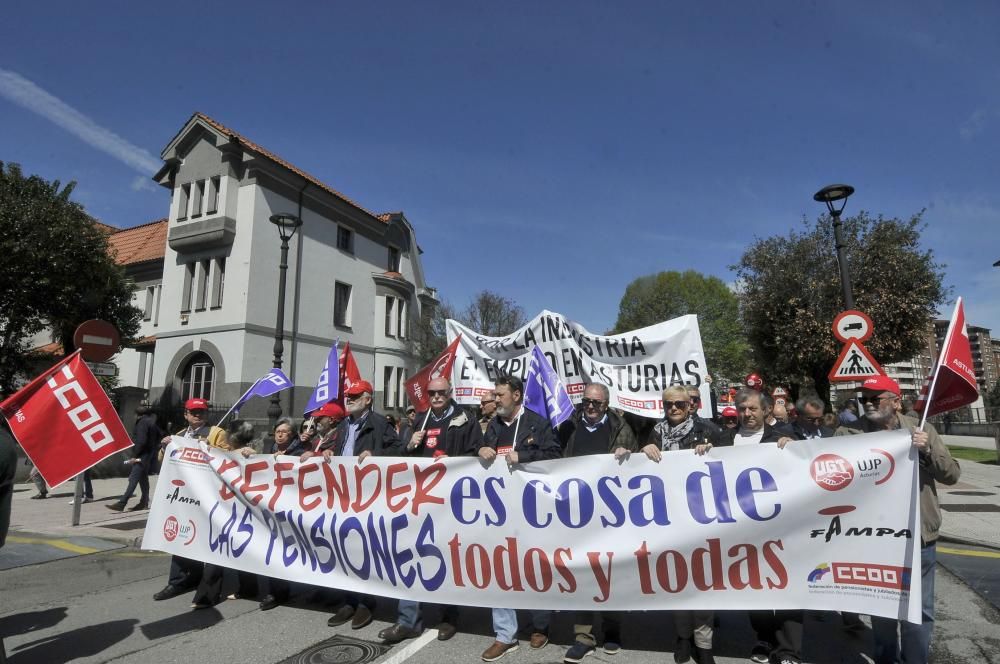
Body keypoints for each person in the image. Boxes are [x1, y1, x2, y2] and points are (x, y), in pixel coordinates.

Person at [835, 375, 960, 664]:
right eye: (863, 399)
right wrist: (788, 447)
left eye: (874, 398)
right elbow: (818, 470)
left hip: (918, 537)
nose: (867, 403)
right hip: (873, 538)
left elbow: (952, 474)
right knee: (882, 611)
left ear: (896, 401)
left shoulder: (922, 429)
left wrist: (926, 450)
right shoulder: (847, 434)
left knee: (919, 611)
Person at [379, 377, 482, 644]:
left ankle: (449, 616)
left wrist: (455, 462)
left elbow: (477, 456)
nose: (436, 396)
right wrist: (410, 444)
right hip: (420, 498)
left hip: (450, 500)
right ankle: (408, 620)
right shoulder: (420, 419)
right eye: (432, 392)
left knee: (446, 557)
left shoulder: (465, 419)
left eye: (441, 392)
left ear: (450, 393)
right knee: (411, 554)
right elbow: (401, 456)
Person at [479, 375, 562, 662]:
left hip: (531, 511)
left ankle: (540, 624)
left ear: (516, 395)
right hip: (499, 511)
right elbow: (476, 458)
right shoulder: (492, 426)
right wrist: (481, 450)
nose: (495, 399)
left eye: (500, 394)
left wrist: (524, 455)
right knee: (500, 569)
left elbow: (555, 454)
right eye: (495, 394)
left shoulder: (537, 423)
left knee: (533, 567)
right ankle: (505, 635)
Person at [717, 388, 801, 664]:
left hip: (782, 526)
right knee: (756, 587)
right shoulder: (724, 439)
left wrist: (796, 449)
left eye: (752, 409)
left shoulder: (783, 438)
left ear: (766, 410)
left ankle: (788, 650)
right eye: (742, 409)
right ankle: (763, 639)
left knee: (790, 587)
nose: (746, 414)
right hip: (744, 528)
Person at [559, 383, 638, 663]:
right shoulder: (569, 427)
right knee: (581, 572)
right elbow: (556, 463)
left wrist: (627, 456)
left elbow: (637, 467)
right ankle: (583, 637)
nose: (590, 407)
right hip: (577, 513)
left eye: (596, 403)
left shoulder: (622, 429)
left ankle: (612, 629)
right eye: (586, 402)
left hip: (611, 514)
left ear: (606, 404)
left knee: (610, 573)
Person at [640, 385, 718, 664]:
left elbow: (732, 466)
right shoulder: (656, 432)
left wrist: (713, 451)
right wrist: (644, 449)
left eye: (679, 405)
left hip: (701, 520)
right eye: (668, 404)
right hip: (669, 520)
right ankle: (683, 637)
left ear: (691, 406)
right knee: (678, 581)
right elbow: (644, 470)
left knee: (701, 583)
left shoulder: (710, 430)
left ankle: (704, 644)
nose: (673, 409)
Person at [325, 380, 402, 630]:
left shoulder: (381, 424)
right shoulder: (344, 425)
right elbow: (339, 452)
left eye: (356, 395)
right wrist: (328, 455)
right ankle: (348, 601)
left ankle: (366, 603)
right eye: (349, 395)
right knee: (344, 547)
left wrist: (376, 456)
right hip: (343, 495)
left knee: (364, 549)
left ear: (368, 399)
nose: (349, 399)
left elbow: (399, 453)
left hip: (368, 496)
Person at [152, 397, 231, 601]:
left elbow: (228, 457)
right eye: (194, 412)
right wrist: (164, 447)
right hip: (184, 497)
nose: (198, 415)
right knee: (181, 535)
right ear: (185, 414)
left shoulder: (216, 433)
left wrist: (210, 448)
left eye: (202, 412)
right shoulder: (178, 435)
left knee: (207, 537)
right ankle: (179, 581)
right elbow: (164, 461)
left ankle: (208, 585)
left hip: (209, 496)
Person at [191, 419, 258, 609]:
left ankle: (208, 596)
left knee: (223, 550)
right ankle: (244, 588)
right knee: (225, 549)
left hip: (238, 509)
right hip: (225, 508)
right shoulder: (222, 454)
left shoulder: (248, 455)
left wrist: (252, 454)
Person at [107, 403, 162, 512]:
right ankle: (144, 502)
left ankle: (122, 503)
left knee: (134, 478)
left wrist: (135, 456)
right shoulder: (152, 422)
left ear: (137, 415)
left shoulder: (142, 423)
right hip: (149, 454)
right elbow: (160, 435)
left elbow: (141, 441)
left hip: (141, 455)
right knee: (143, 479)